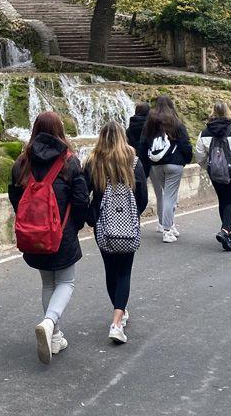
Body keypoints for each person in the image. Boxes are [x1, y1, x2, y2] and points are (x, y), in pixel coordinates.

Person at [9, 111, 89, 364]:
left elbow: (16, 198)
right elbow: (80, 200)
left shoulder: (22, 162)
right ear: (59, 130)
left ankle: (54, 337)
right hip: (61, 233)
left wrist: (29, 223)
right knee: (67, 282)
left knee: (47, 284)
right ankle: (49, 322)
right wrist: (74, 227)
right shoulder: (70, 162)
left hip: (34, 235)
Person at [84, 119, 148, 344]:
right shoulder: (134, 161)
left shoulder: (93, 161)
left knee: (110, 270)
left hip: (104, 225)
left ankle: (118, 312)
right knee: (125, 271)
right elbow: (142, 197)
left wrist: (91, 218)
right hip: (127, 225)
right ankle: (117, 321)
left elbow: (83, 193)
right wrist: (132, 216)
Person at [194, 101, 231, 251]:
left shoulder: (204, 132)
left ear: (212, 112)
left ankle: (228, 231)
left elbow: (199, 155)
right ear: (228, 112)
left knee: (222, 199)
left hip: (214, 170)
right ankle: (226, 229)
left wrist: (207, 167)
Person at [140, 94, 191, 243]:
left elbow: (143, 143)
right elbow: (185, 144)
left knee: (167, 195)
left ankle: (170, 225)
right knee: (170, 197)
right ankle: (167, 230)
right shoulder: (176, 122)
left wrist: (144, 161)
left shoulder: (151, 122)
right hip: (174, 164)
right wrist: (186, 159)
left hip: (156, 164)